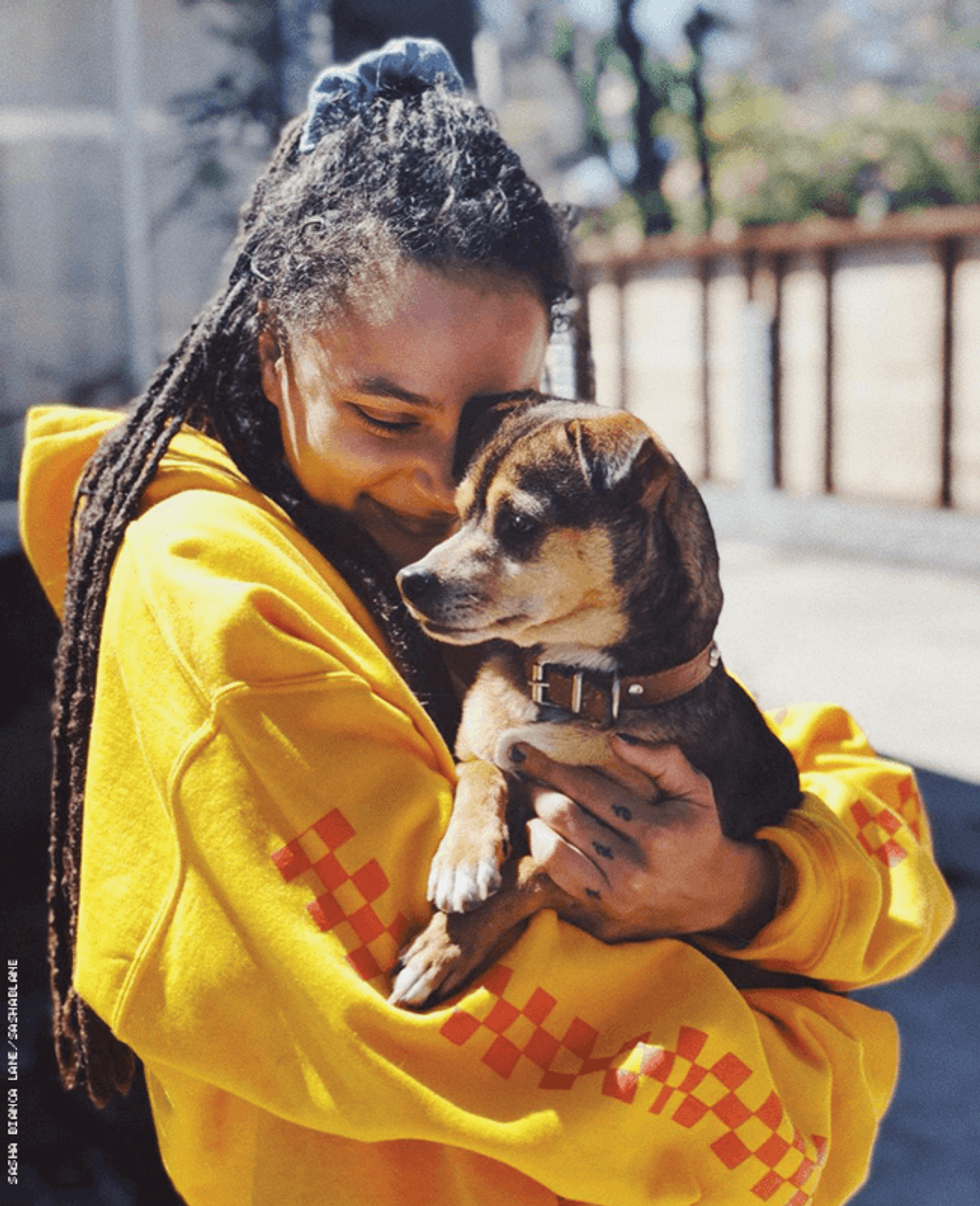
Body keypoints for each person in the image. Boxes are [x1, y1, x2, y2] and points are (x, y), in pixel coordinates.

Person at [19, 38, 953, 1206]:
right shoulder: (212, 595)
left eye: (489, 424)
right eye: (382, 415)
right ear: (271, 355)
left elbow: (856, 808)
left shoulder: (466, 590)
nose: (446, 489)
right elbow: (461, 1013)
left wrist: (741, 888)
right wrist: (823, 1075)